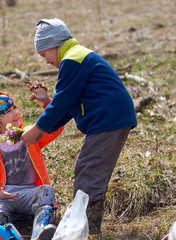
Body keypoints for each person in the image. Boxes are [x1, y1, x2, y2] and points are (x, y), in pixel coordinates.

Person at [21, 18, 137, 235]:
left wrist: (37, 129)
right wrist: (44, 117)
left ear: (52, 44)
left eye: (43, 54)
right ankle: (85, 228)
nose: (45, 61)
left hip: (108, 119)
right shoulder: (75, 56)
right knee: (87, 169)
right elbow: (67, 106)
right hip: (108, 118)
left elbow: (63, 100)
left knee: (88, 173)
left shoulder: (73, 59)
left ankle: (88, 232)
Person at [0, 84, 64, 240]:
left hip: (30, 192)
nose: (15, 112)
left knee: (47, 191)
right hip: (6, 194)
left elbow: (56, 128)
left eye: (14, 107)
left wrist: (46, 102)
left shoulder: (29, 134)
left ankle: (39, 232)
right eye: (8, 111)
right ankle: (13, 222)